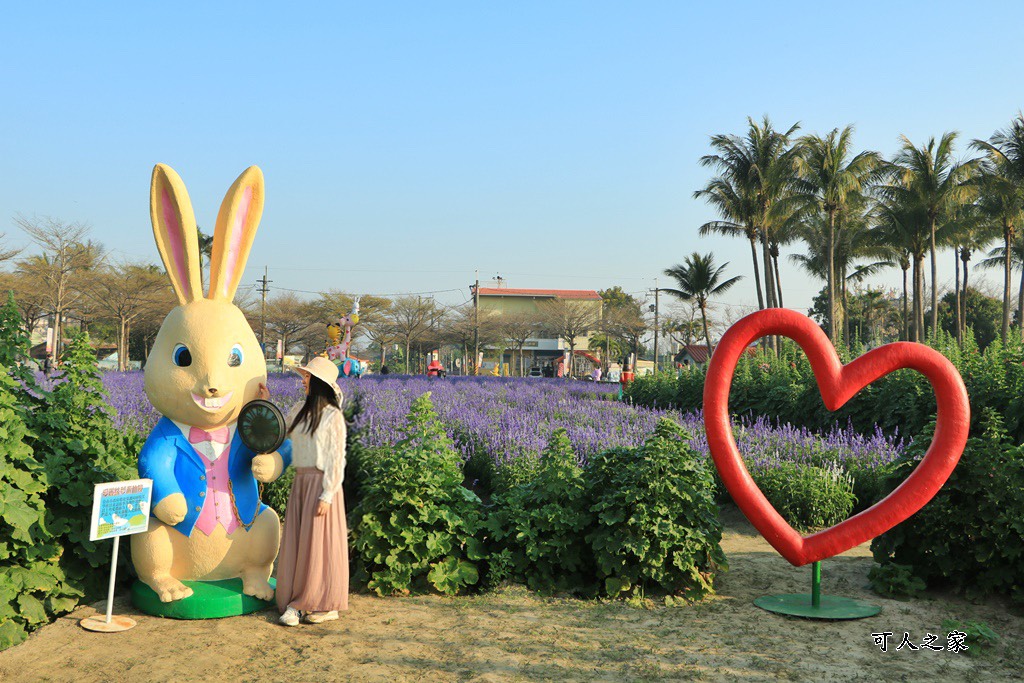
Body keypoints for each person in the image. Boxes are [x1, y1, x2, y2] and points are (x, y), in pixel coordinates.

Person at [276, 356, 349, 626]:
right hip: (301, 482)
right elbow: (281, 430)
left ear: (319, 383)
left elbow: (336, 457)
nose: (303, 381)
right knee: (300, 543)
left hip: (321, 483)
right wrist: (266, 399)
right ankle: (298, 601)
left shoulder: (333, 416)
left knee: (320, 545)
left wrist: (327, 494)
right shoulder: (299, 409)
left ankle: (325, 604)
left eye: (308, 377)